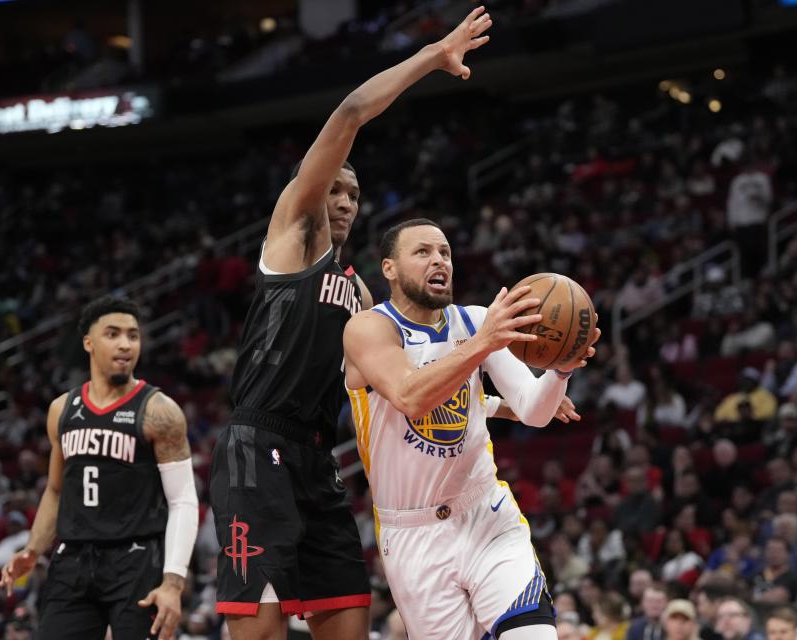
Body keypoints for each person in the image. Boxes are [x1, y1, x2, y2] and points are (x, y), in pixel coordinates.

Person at [208, 8, 495, 640]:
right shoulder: (293, 235)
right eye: (333, 188)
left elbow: (395, 383)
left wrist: (495, 403)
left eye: (353, 195)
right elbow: (349, 114)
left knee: (349, 619)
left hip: (318, 459)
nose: (342, 201)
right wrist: (431, 56)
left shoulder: (363, 292)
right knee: (260, 629)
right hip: (258, 450)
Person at [343, 219, 597, 639]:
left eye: (444, 252)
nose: (438, 260)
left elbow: (534, 412)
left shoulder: (476, 320)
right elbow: (409, 396)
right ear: (389, 268)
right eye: (422, 252)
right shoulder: (370, 329)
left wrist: (559, 371)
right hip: (413, 534)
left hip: (485, 514)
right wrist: (484, 344)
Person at [0, 296, 198, 640]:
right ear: (89, 343)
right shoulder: (62, 409)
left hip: (136, 561)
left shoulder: (160, 412)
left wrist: (173, 582)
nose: (125, 344)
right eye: (113, 334)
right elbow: (56, 490)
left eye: (133, 335)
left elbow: (183, 500)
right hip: (73, 560)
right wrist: (33, 549)